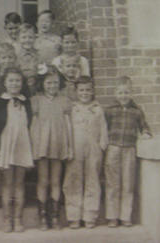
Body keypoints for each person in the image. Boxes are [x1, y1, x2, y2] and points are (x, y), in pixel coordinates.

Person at [0, 67, 34, 233]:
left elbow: (30, 124)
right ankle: (8, 219)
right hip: (6, 144)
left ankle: (18, 218)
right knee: (8, 183)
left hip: (22, 144)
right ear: (5, 83)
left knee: (19, 183)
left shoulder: (26, 101)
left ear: (22, 83)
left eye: (17, 80)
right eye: (11, 80)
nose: (14, 83)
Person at [104, 76, 152, 228]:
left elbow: (144, 127)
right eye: (120, 92)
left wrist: (145, 133)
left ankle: (126, 216)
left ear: (131, 93)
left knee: (128, 183)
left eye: (126, 92)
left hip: (129, 149)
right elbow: (103, 129)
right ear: (115, 93)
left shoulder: (136, 111)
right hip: (113, 148)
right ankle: (112, 216)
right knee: (113, 183)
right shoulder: (110, 110)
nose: (123, 96)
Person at [63, 76, 108, 229]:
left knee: (92, 180)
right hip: (75, 149)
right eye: (81, 90)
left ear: (93, 91)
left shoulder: (97, 109)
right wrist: (68, 147)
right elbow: (67, 129)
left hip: (93, 149)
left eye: (88, 90)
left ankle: (90, 215)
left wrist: (102, 146)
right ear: (76, 91)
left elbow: (103, 129)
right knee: (73, 180)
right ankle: (74, 215)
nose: (85, 93)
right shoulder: (72, 109)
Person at [31, 65, 72, 230]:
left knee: (56, 180)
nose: (52, 86)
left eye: (55, 83)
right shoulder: (36, 101)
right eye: (48, 83)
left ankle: (54, 215)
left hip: (58, 143)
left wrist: (69, 147)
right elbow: (33, 126)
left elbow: (68, 126)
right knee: (43, 180)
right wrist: (34, 147)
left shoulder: (64, 101)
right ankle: (42, 216)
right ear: (42, 84)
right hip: (42, 144)